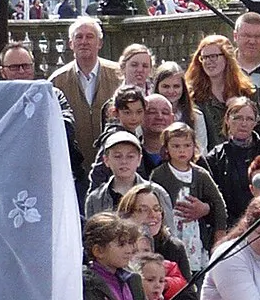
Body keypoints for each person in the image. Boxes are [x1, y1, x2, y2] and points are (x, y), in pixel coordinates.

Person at [149, 123, 225, 270]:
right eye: (176, 146)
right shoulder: (159, 174)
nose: (182, 150)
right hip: (170, 231)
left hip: (195, 234)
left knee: (196, 271)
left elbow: (218, 202)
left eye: (187, 145)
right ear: (166, 149)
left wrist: (219, 234)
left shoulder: (201, 174)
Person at [50, 17, 123, 167]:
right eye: (79, 37)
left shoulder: (118, 76)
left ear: (100, 43)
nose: (84, 41)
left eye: (90, 36)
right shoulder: (57, 81)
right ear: (71, 44)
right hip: (73, 163)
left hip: (113, 162)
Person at [206, 96, 260, 221]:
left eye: (249, 119)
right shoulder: (215, 157)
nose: (243, 124)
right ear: (227, 120)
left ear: (256, 123)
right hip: (230, 225)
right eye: (237, 118)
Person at [85, 129, 175, 224]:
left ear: (139, 160)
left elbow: (169, 232)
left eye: (130, 156)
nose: (124, 161)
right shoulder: (95, 199)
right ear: (106, 160)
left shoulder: (157, 193)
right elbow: (91, 235)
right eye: (117, 156)